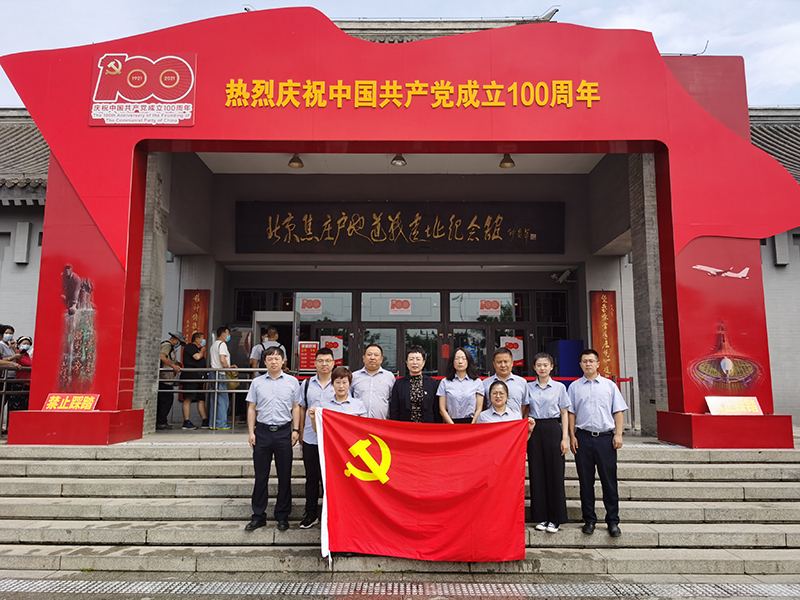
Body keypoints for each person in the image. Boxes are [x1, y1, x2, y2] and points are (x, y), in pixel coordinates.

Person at [568, 349, 628, 538]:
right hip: (583, 438)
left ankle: (613, 521)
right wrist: (572, 436)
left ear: (598, 363)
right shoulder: (574, 387)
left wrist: (619, 434)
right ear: (580, 365)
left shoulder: (609, 386)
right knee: (585, 482)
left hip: (605, 439)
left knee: (609, 481)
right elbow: (571, 413)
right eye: (584, 361)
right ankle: (589, 520)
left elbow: (618, 411)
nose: (588, 364)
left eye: (591, 361)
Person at [245, 346, 301, 532]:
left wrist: (296, 430)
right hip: (262, 432)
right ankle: (258, 515)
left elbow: (296, 407)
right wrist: (251, 432)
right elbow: (252, 408)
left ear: (283, 361)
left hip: (284, 433)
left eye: (277, 358)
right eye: (270, 358)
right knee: (261, 476)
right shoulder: (257, 382)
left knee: (285, 476)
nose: (274, 361)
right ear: (265, 362)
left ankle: (282, 516)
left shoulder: (292, 382)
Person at [526, 352, 570, 534]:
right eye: (539, 365)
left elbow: (564, 413)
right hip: (534, 429)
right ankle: (541, 516)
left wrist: (565, 438)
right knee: (537, 473)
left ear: (551, 367)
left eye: (545, 365)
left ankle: (556, 518)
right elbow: (525, 410)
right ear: (534, 367)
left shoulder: (559, 387)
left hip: (553, 428)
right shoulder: (529, 387)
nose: (542, 368)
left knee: (555, 472)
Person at [296, 347, 335, 529]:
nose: (324, 364)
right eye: (320, 361)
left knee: (331, 480)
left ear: (333, 363)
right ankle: (311, 513)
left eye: (327, 360)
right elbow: (302, 408)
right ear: (315, 363)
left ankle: (331, 514)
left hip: (334, 441)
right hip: (311, 439)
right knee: (311, 478)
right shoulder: (306, 384)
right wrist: (300, 432)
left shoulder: (340, 382)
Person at [389, 345, 441, 423]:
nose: (414, 362)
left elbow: (436, 409)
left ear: (423, 362)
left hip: (427, 426)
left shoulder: (432, 383)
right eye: (411, 359)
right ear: (407, 363)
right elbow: (394, 410)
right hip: (405, 426)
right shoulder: (399, 384)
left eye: (418, 359)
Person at [308, 366, 368, 430]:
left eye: (344, 382)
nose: (341, 386)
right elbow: (319, 431)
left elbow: (364, 428)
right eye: (338, 382)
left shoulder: (359, 405)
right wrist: (313, 419)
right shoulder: (324, 405)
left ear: (349, 384)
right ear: (332, 384)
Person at [438, 347, 484, 424]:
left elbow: (479, 409)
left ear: (468, 361)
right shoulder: (445, 382)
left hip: (471, 423)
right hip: (451, 423)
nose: (460, 361)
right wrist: (453, 426)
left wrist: (472, 425)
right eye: (457, 358)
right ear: (452, 361)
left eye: (464, 358)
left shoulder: (477, 382)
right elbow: (442, 409)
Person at [482, 347, 530, 418]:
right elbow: (483, 406)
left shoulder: (522, 382)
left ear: (512, 363)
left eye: (506, 361)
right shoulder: (485, 383)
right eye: (499, 362)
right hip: (493, 422)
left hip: (514, 422)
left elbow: (524, 406)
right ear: (494, 364)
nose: (503, 365)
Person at [351, 344, 395, 419]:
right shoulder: (354, 376)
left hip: (382, 422)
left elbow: (393, 401)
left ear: (381, 359)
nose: (372, 358)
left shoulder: (389, 377)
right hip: (359, 422)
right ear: (364, 358)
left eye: (376, 355)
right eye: (369, 354)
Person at [209, 326, 237, 430]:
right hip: (220, 373)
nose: (229, 336)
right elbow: (222, 359)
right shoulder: (222, 344)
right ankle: (221, 423)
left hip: (213, 373)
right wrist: (228, 368)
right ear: (223, 334)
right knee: (223, 400)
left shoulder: (213, 345)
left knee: (214, 399)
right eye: (228, 333)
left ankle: (212, 423)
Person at [157, 332, 185, 430]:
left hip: (167, 378)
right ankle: (161, 422)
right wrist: (173, 366)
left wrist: (177, 363)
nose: (179, 344)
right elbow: (162, 357)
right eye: (179, 342)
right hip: (164, 378)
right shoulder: (167, 346)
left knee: (165, 401)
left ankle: (161, 421)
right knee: (166, 401)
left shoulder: (170, 347)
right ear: (176, 340)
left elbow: (169, 359)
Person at [181, 332, 209, 429]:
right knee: (188, 398)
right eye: (202, 339)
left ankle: (204, 420)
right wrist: (202, 351)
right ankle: (186, 421)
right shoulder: (190, 347)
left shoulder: (198, 349)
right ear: (197, 339)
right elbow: (197, 357)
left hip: (199, 377)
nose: (204, 341)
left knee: (201, 399)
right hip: (190, 377)